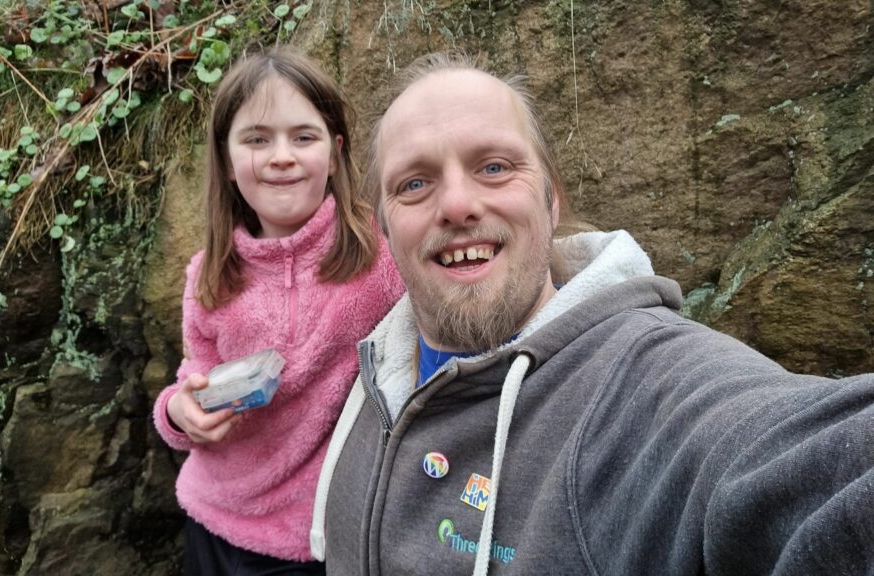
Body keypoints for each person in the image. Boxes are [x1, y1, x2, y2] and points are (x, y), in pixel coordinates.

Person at [309, 52, 874, 576]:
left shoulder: (645, 384)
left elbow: (799, 462)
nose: (457, 204)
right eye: (414, 183)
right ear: (384, 227)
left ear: (551, 201)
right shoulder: (376, 374)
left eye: (495, 167)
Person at [152, 48, 403, 576]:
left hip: (323, 536)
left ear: (334, 153)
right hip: (211, 517)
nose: (281, 155)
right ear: (225, 159)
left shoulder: (379, 260)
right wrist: (179, 412)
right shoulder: (209, 273)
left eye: (303, 137)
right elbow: (194, 374)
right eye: (257, 139)